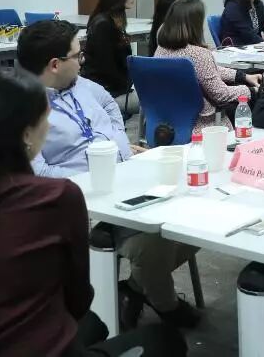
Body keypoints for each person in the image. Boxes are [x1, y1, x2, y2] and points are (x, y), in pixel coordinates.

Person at [0, 68, 187, 357]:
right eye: (46, 119)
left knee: (93, 325)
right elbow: (78, 300)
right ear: (27, 133)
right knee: (162, 340)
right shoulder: (55, 198)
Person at [16, 20, 200, 329]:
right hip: (82, 201)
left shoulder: (84, 86)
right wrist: (98, 170)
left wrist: (121, 149)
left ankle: (135, 288)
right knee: (155, 241)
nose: (83, 60)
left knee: (197, 210)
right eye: (78, 55)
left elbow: (111, 110)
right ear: (55, 64)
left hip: (126, 180)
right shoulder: (25, 108)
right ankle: (163, 301)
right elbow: (41, 174)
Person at [155, 0, 259, 126]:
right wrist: (252, 91)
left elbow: (205, 71)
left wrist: (242, 76)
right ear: (196, 24)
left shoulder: (161, 49)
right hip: (204, 126)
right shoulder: (199, 55)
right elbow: (221, 95)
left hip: (166, 121)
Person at [81, 0, 134, 104]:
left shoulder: (116, 19)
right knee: (151, 100)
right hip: (105, 90)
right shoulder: (103, 24)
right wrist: (128, 85)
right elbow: (106, 67)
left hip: (113, 87)